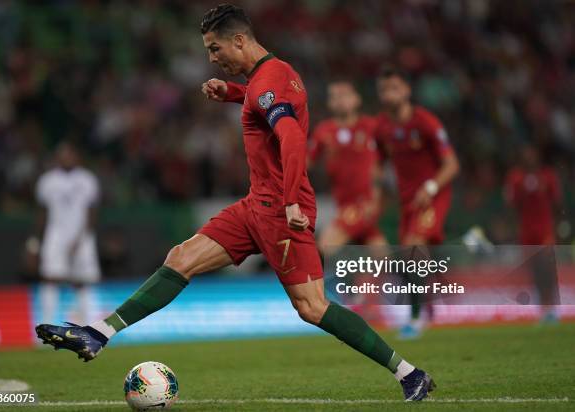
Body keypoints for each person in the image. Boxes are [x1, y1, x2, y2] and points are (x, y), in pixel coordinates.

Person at [36, 5, 435, 401]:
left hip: (279, 209)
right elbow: (267, 104)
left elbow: (292, 137)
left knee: (312, 307)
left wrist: (292, 200)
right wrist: (233, 94)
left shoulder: (268, 83)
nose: (212, 58)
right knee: (181, 258)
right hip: (255, 205)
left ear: (240, 40)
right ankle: (97, 334)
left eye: (215, 48)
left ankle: (409, 373)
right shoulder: (274, 76)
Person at [374, 66, 460, 339]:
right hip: (408, 203)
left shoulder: (425, 122)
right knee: (414, 256)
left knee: (413, 249)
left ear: (407, 91)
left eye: (395, 88)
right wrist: (376, 186)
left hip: (433, 196)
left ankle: (415, 316)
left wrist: (431, 186)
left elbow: (452, 164)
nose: (390, 94)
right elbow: (379, 161)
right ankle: (431, 304)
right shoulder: (383, 127)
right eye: (385, 90)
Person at [309, 80, 386, 255]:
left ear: (356, 99)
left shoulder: (371, 127)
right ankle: (407, 279)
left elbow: (383, 161)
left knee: (325, 246)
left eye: (344, 95)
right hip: (343, 203)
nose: (339, 100)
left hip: (365, 203)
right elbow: (306, 162)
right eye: (334, 96)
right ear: (329, 103)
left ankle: (309, 283)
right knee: (380, 254)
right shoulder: (323, 131)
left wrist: (376, 197)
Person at [32, 141, 101, 326]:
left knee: (82, 281)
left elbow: (92, 212)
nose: (66, 157)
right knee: (50, 278)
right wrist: (35, 242)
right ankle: (45, 328)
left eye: (70, 154)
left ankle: (90, 329)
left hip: (82, 236)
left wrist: (82, 238)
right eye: (63, 154)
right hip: (55, 235)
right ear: (57, 157)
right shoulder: (47, 181)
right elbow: (41, 213)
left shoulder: (87, 179)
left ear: (77, 156)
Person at [504, 145, 562, 323]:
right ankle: (543, 307)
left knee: (547, 266)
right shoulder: (515, 178)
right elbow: (511, 206)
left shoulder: (548, 176)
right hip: (526, 231)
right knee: (535, 269)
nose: (529, 158)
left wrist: (557, 228)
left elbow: (557, 204)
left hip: (545, 229)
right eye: (526, 154)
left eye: (532, 154)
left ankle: (552, 305)